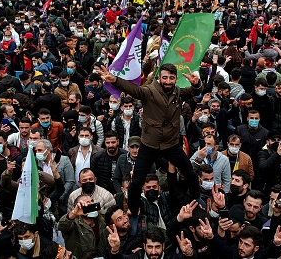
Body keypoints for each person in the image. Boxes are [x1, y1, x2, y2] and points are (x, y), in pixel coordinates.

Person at [98, 63, 203, 217]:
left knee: (191, 174)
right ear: (159, 78)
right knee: (137, 182)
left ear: (176, 79)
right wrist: (114, 80)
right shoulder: (150, 91)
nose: (168, 81)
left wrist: (196, 84)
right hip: (149, 145)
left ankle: (195, 200)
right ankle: (134, 210)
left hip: (171, 145)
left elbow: (195, 90)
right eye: (165, 77)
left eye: (171, 78)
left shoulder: (177, 92)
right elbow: (134, 89)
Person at [59, 194, 106, 258]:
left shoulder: (101, 218)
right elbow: (61, 226)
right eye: (86, 203)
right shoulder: (74, 223)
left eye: (92, 201)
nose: (91, 204)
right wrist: (73, 214)